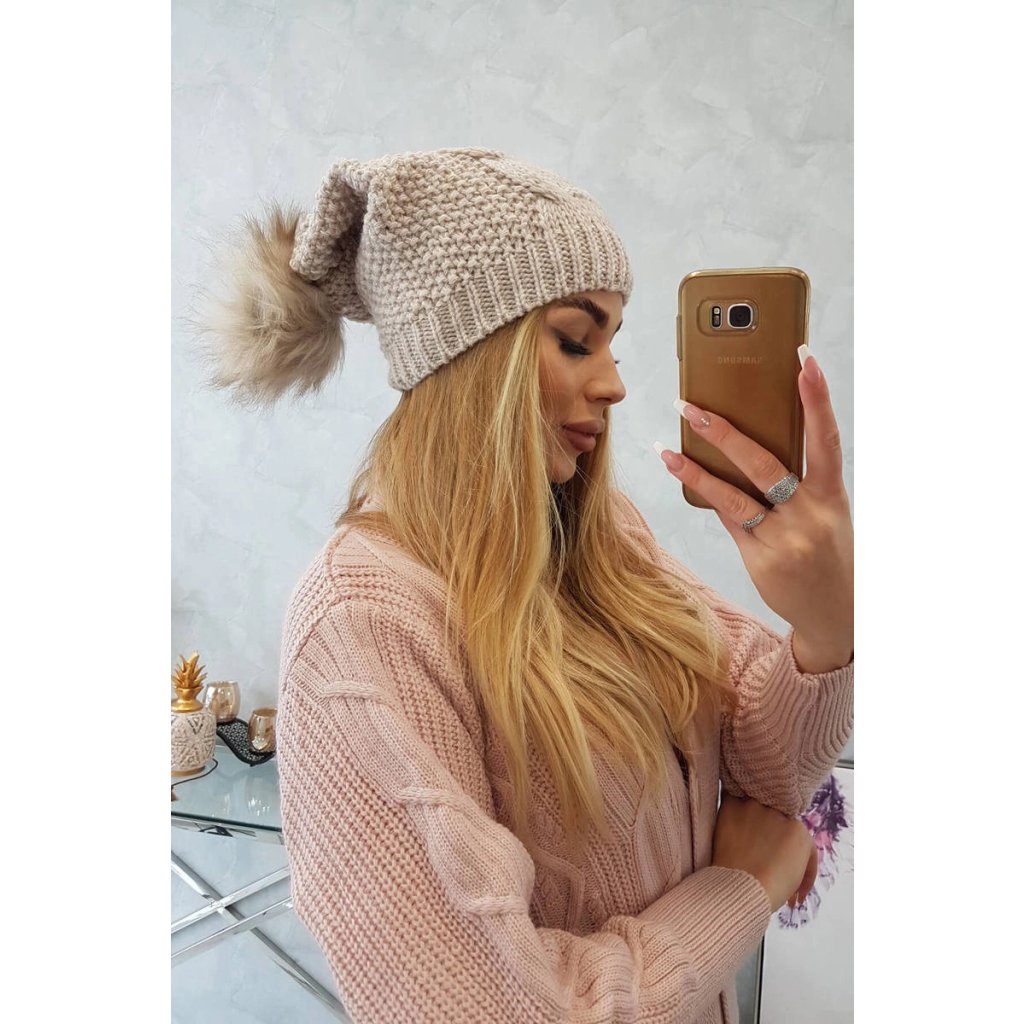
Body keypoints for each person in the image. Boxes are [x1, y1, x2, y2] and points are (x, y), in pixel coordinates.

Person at [194, 146, 853, 1024]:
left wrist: (827, 628)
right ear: (471, 354)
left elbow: (774, 773)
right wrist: (737, 890)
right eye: (576, 339)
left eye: (613, 341)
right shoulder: (361, 626)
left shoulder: (602, 536)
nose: (615, 383)